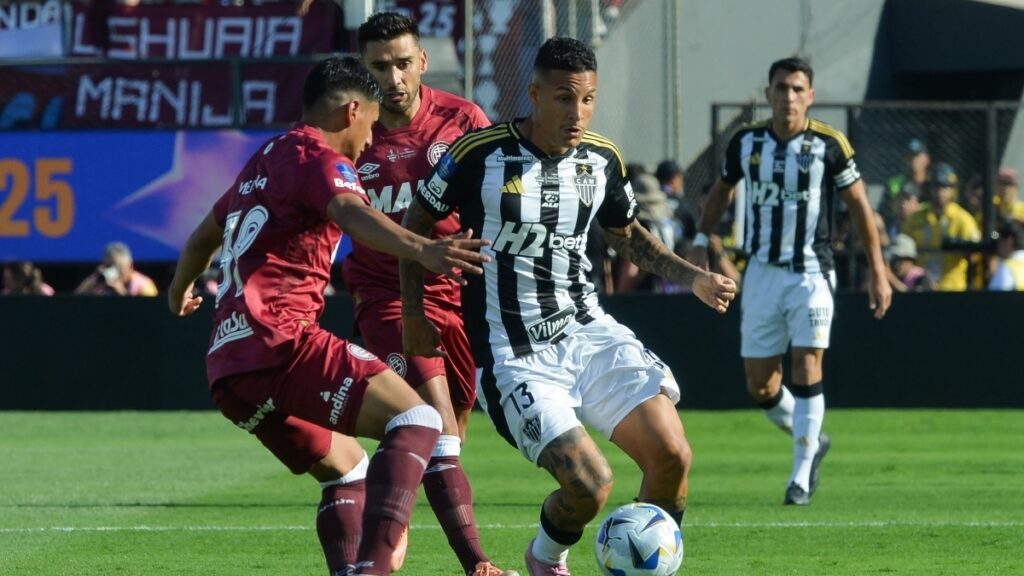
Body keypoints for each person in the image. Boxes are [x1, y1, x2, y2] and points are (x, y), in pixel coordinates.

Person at [400, 37, 737, 575]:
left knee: (673, 457)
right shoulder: (479, 155)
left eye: (588, 99)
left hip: (589, 332)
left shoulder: (601, 159)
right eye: (563, 98)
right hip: (514, 354)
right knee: (590, 485)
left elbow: (627, 235)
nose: (577, 113)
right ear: (534, 95)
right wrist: (414, 314)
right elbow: (415, 225)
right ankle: (545, 557)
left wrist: (692, 277)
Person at [166, 56, 493, 576]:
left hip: (228, 367)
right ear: (352, 111)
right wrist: (422, 248)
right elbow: (352, 213)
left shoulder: (266, 158)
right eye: (371, 123)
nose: (370, 140)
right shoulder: (319, 157)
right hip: (282, 342)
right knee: (418, 419)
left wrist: (177, 291)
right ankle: (373, 569)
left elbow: (204, 236)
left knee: (348, 471)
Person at [341, 12, 515, 576]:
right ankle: (478, 564)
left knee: (448, 435)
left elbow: (499, 197)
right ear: (363, 69)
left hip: (459, 294)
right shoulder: (353, 132)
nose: (392, 78)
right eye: (378, 67)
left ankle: (381, 532)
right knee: (436, 424)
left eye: (401, 63)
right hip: (388, 295)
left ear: (422, 61)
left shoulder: (463, 120)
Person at [692, 56, 892, 506]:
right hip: (760, 272)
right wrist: (703, 238)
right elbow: (721, 191)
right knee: (760, 385)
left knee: (807, 365)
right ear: (769, 94)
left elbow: (860, 205)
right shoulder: (746, 142)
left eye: (797, 89)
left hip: (811, 273)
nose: (789, 97)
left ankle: (800, 477)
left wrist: (878, 271)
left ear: (811, 96)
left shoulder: (829, 144)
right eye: (781, 88)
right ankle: (813, 438)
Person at [902, 162, 981, 291]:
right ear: (930, 189)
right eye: (936, 187)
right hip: (921, 289)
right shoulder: (915, 219)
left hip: (953, 290)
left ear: (953, 190)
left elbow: (975, 257)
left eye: (945, 187)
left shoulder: (963, 219)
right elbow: (903, 251)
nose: (940, 192)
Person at [879, 138, 930, 236]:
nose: (913, 160)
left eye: (916, 155)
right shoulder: (894, 183)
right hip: (898, 228)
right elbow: (884, 210)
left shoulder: (933, 184)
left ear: (927, 159)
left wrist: (918, 209)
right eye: (909, 156)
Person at [74, 241, 158, 296]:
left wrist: (121, 292)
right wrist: (95, 280)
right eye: (109, 266)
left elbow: (152, 310)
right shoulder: (100, 280)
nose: (113, 271)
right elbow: (74, 301)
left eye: (118, 267)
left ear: (130, 266)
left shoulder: (144, 285)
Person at [988, 220, 1024, 290]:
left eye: (1000, 240)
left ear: (1009, 241)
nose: (998, 245)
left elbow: (995, 295)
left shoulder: (1007, 268)